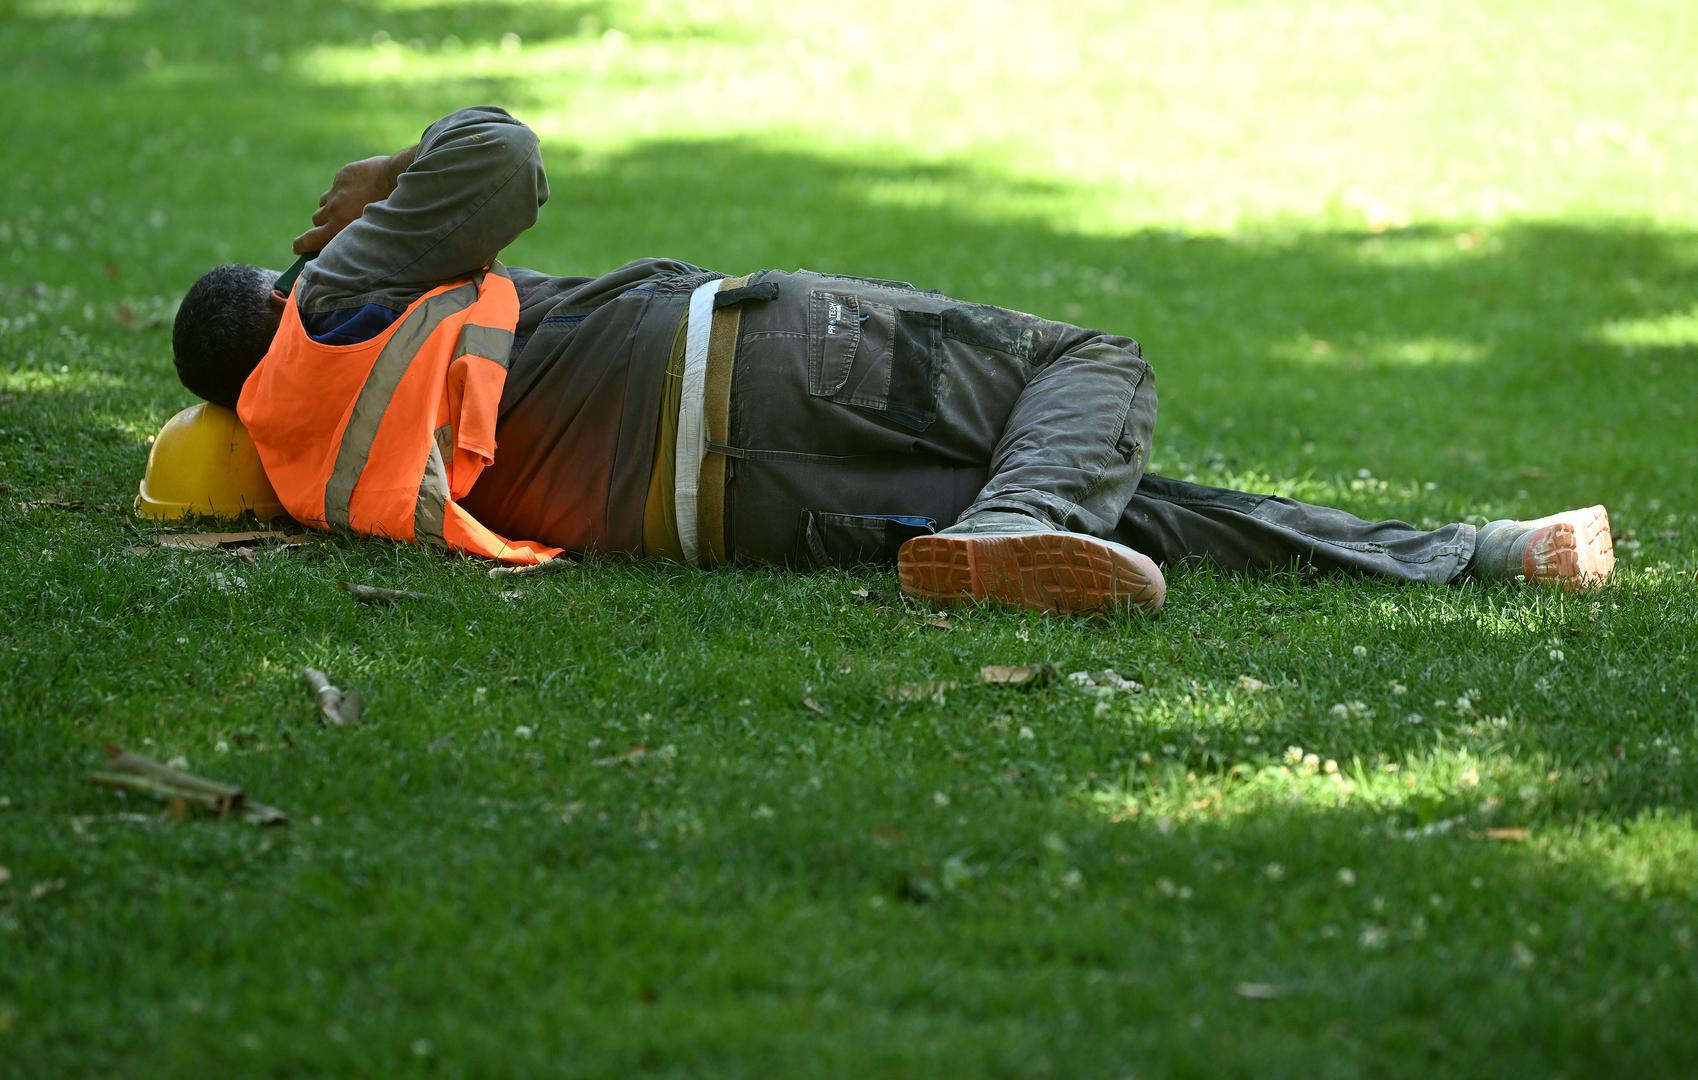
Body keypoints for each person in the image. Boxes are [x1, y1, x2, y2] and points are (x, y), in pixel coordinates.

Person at [170, 106, 1615, 615]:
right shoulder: (333, 299)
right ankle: (1010, 528)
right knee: (1089, 369)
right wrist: (403, 166)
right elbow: (506, 161)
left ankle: (1481, 555)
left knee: (1107, 506)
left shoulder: (299, 458)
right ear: (284, 290)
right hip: (767, 371)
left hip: (735, 525)